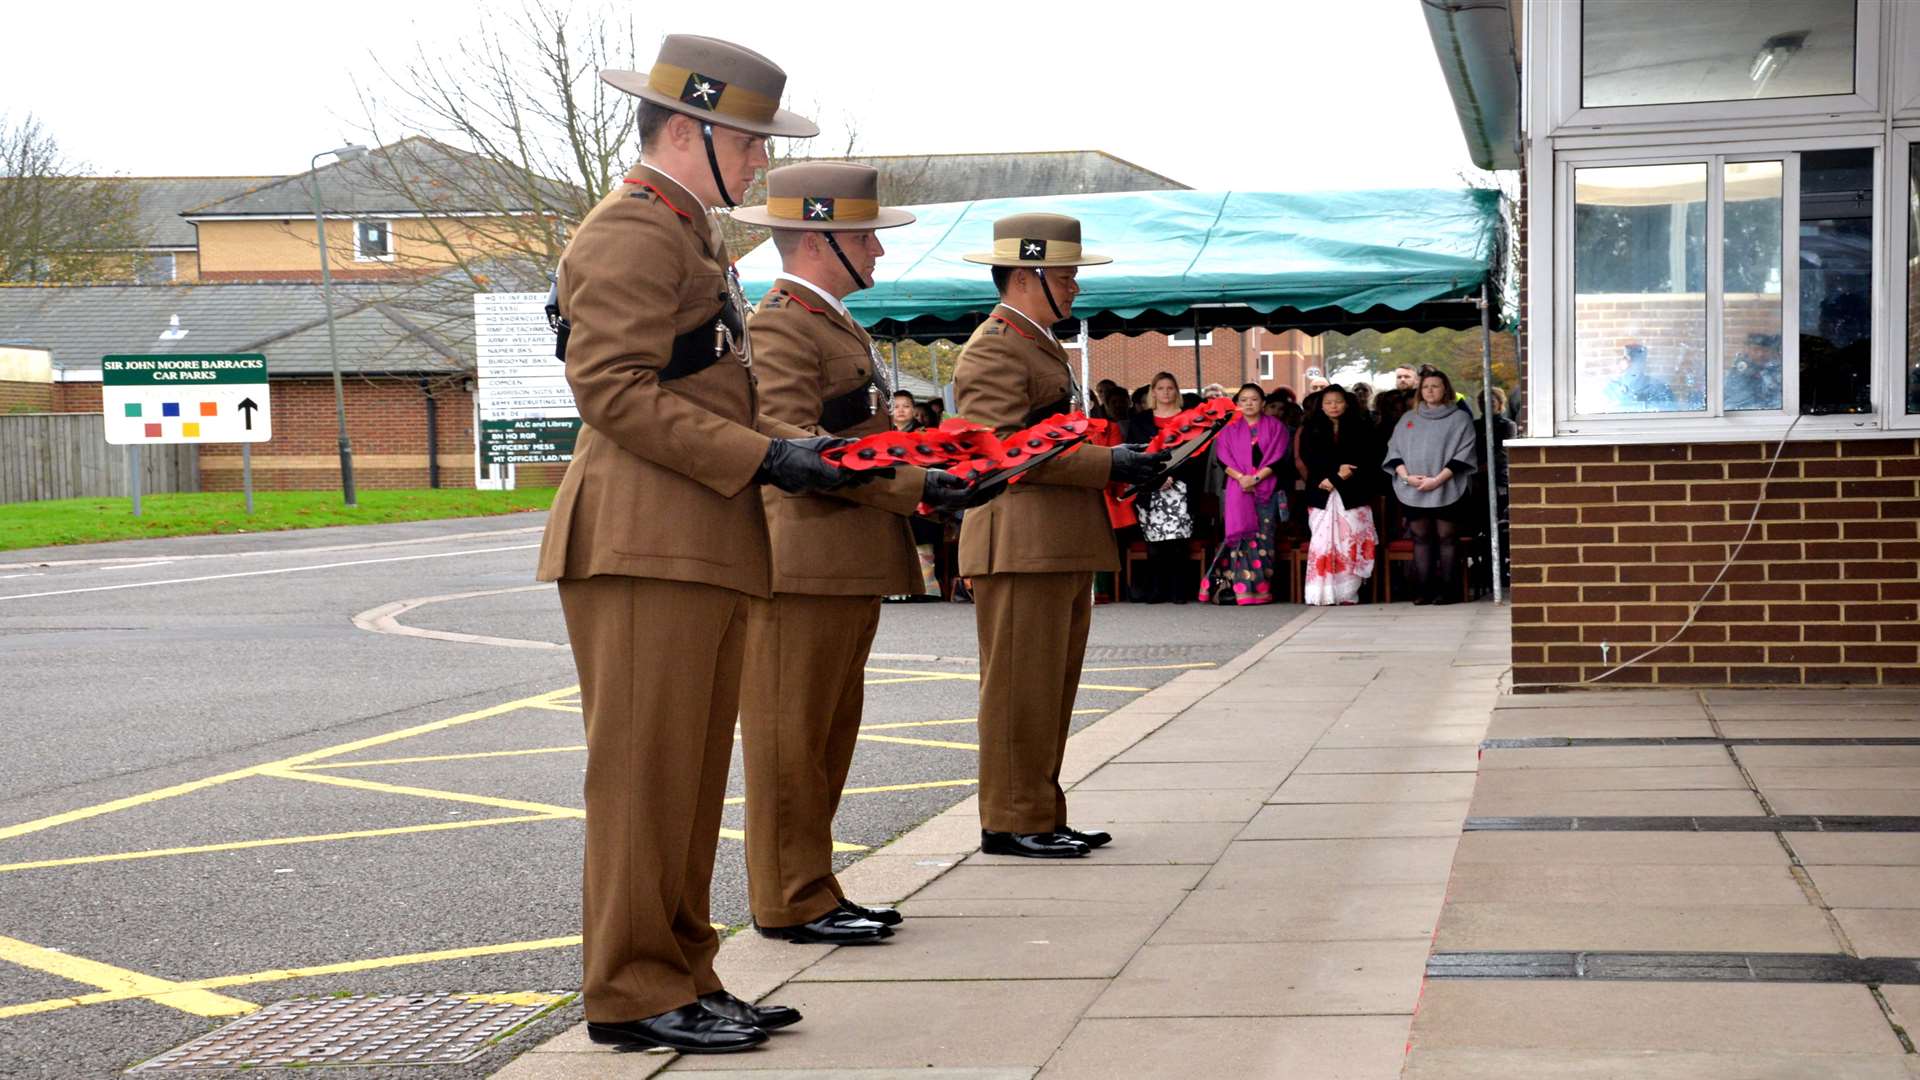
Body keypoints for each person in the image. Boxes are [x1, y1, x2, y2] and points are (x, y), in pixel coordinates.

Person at [536, 35, 845, 1054]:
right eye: (750, 143)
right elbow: (612, 393)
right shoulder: (633, 230)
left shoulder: (684, 234)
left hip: (689, 538)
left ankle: (683, 971)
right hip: (641, 542)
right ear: (689, 129)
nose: (761, 165)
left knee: (686, 779)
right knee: (642, 780)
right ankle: (630, 991)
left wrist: (778, 451)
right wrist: (764, 458)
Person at [729, 162, 971, 946]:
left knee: (825, 736)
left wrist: (932, 468)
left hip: (836, 557)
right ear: (819, 237)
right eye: (867, 235)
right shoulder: (781, 322)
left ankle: (812, 887)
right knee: (790, 738)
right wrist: (913, 483)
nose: (880, 251)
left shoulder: (825, 318)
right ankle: (790, 897)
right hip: (801, 560)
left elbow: (855, 439)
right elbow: (794, 443)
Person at [953, 212, 1166, 859]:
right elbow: (1009, 452)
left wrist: (1122, 465)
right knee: (1020, 689)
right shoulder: (995, 345)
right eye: (1067, 276)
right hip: (1020, 543)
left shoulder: (1034, 340)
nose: (1075, 288)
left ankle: (1040, 812)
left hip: (1051, 540)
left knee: (1048, 689)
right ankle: (1012, 818)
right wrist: (1110, 463)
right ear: (1027, 275)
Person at [1384, 367, 1479, 605]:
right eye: (1425, 386)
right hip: (1413, 487)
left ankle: (1448, 591)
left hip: (1447, 486)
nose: (1430, 390)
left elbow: (1464, 453)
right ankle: (1422, 590)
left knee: (1447, 537)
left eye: (1435, 386)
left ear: (1445, 389)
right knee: (1421, 537)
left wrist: (1437, 480)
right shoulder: (1408, 418)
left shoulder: (1460, 418)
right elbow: (1394, 450)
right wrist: (1406, 477)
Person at [1296, 384, 1379, 605]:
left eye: (1338, 401)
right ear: (1321, 405)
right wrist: (1332, 476)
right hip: (1321, 490)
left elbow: (1367, 458)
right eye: (1328, 402)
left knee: (1350, 542)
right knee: (1322, 544)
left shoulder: (1361, 426)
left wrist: (1340, 476)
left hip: (1353, 492)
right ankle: (1320, 593)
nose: (1333, 406)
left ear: (1347, 403)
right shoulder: (1310, 427)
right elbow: (1308, 458)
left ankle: (1348, 593)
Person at [1207, 383, 1289, 605]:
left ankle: (1260, 590)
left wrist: (1256, 478)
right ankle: (1239, 590)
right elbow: (1223, 460)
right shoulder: (1229, 430)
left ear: (1263, 403)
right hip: (1238, 489)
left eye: (1254, 399)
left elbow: (1278, 457)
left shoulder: (1276, 427)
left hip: (1266, 489)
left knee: (1264, 539)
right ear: (1237, 404)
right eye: (1244, 400)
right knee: (1239, 539)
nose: (1249, 403)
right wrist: (1242, 479)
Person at [1124, 371, 1196, 604]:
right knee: (1154, 541)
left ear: (1177, 391)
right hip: (1150, 486)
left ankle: (1179, 592)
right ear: (1153, 392)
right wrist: (1156, 478)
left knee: (1178, 541)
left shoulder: (1188, 419)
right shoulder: (1140, 421)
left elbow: (1195, 453)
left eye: (1170, 388)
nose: (1166, 392)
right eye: (1161, 388)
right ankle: (1156, 590)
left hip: (1180, 485)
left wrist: (1172, 476)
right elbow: (1136, 453)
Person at [1601, 343, 1675, 412]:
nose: (1633, 366)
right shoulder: (1612, 389)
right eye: (1629, 361)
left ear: (1644, 364)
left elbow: (1671, 414)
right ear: (1623, 363)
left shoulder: (1660, 389)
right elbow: (1603, 414)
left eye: (1637, 362)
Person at [1724, 332, 1783, 411]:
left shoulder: (1775, 370)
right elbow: (1735, 402)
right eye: (1755, 350)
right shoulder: (1739, 371)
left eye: (1765, 350)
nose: (1760, 354)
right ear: (1747, 350)